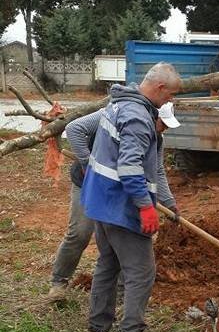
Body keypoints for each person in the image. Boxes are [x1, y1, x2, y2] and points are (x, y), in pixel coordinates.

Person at [48, 94, 181, 302]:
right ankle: (59, 282)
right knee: (80, 233)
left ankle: (119, 292)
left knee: (119, 238)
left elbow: (158, 171)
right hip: (89, 184)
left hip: (119, 191)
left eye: (166, 126)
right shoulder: (115, 115)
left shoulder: (157, 139)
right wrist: (87, 164)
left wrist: (170, 202)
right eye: (162, 124)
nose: (163, 129)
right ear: (152, 115)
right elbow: (74, 129)